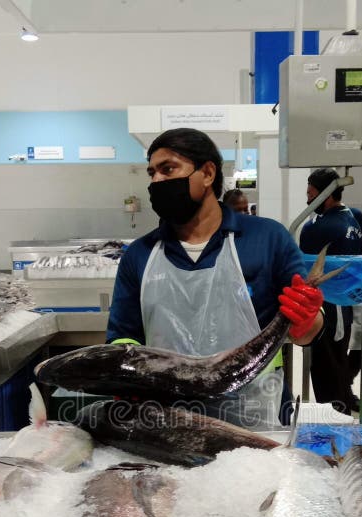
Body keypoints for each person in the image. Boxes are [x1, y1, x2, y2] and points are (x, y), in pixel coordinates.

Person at [106, 128, 324, 429]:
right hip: (167, 422)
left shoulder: (267, 238)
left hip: (257, 418)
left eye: (168, 169)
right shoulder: (139, 254)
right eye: (152, 173)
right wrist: (123, 378)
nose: (156, 181)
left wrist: (308, 317)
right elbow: (123, 337)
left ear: (207, 173)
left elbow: (306, 332)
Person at [299, 168, 362, 415]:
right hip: (347, 304)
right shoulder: (355, 217)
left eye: (310, 193)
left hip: (327, 306)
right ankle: (344, 405)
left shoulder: (319, 227)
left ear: (324, 194)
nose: (307, 199)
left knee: (326, 366)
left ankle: (334, 414)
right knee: (338, 361)